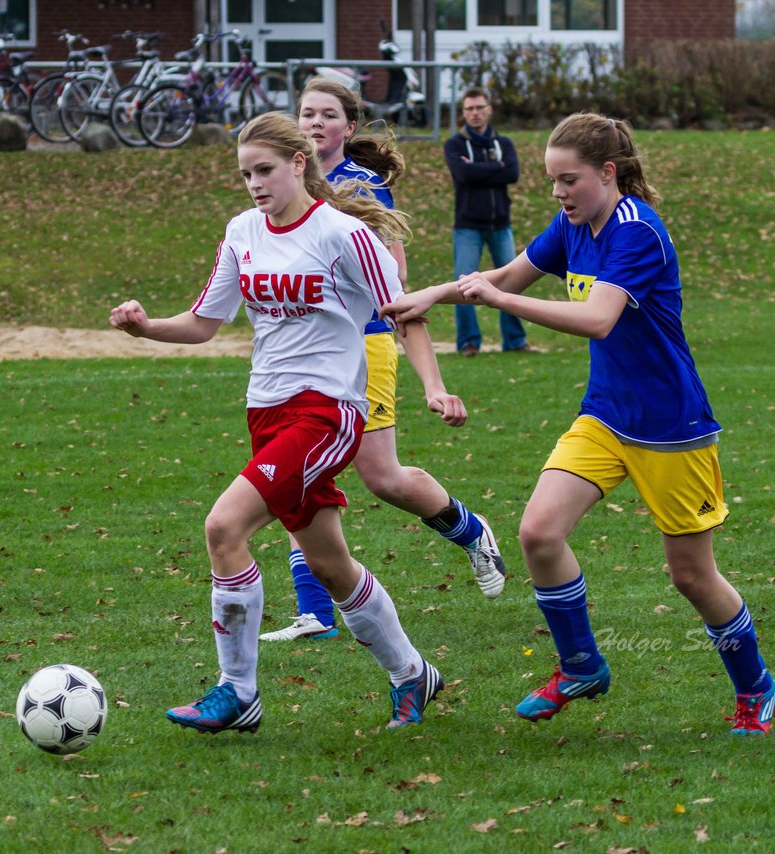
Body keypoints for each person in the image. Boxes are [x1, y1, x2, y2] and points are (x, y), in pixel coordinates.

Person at [384, 112, 775, 735]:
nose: (558, 192)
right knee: (539, 533)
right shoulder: (573, 227)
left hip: (671, 425)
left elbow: (597, 319)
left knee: (690, 575)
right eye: (550, 181)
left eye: (568, 180)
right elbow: (501, 279)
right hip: (605, 414)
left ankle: (756, 687)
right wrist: (433, 294)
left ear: (607, 172)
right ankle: (580, 665)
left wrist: (499, 301)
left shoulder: (637, 233)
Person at [110, 112, 445, 732]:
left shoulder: (343, 234)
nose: (254, 184)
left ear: (298, 164)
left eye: (264, 170)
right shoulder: (242, 232)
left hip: (327, 413)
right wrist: (147, 326)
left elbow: (403, 312)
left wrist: (434, 386)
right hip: (266, 411)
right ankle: (413, 674)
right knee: (330, 565)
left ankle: (238, 693)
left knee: (223, 526)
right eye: (245, 174)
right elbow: (204, 322)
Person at [255, 78, 507, 645]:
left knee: (383, 478)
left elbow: (396, 292)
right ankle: (315, 612)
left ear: (349, 126)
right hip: (303, 353)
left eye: (327, 115)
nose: (316, 122)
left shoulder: (361, 189)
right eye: (306, 114)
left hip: (363, 347)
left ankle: (470, 531)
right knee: (297, 473)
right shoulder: (279, 184)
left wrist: (433, 383)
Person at [444, 86, 529, 357]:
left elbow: (512, 173)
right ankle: (469, 342)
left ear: (489, 109)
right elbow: (463, 174)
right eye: (469, 109)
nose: (475, 113)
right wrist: (496, 169)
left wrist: (477, 169)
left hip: (500, 224)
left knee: (513, 283)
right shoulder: (455, 144)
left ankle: (514, 341)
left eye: (480, 107)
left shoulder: (503, 144)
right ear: (463, 113)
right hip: (467, 225)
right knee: (464, 286)